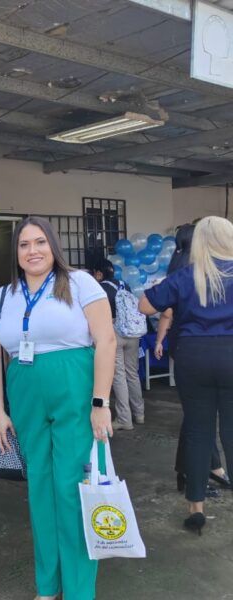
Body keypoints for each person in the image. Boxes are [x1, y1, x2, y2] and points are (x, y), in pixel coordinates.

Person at [0, 216, 116, 600]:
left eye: (40, 242)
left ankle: (78, 591)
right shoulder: (4, 295)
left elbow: (106, 341)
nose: (33, 251)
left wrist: (100, 402)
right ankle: (48, 586)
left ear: (53, 246)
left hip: (74, 388)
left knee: (71, 489)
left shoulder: (79, 283)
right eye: (24, 244)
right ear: (16, 253)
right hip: (24, 392)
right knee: (40, 490)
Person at [140, 216, 233, 535]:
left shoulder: (185, 276)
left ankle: (196, 509)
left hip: (193, 355)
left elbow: (144, 306)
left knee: (198, 430)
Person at [154, 224, 229, 495]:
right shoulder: (203, 269)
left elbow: (163, 310)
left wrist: (162, 340)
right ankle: (205, 471)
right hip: (211, 349)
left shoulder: (178, 267)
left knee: (196, 418)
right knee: (204, 420)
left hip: (186, 348)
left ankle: (196, 474)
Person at [93, 258, 144, 430]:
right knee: (132, 373)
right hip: (132, 332)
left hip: (115, 332)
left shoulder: (101, 288)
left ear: (99, 273)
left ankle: (124, 419)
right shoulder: (124, 285)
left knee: (118, 375)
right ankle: (139, 413)